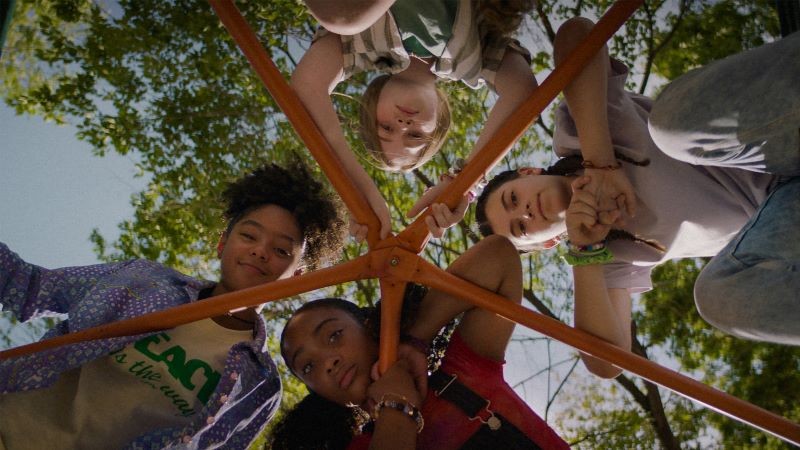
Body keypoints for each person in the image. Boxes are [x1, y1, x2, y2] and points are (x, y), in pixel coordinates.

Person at [472, 18, 800, 378]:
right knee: (714, 299)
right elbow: (607, 362)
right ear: (548, 242)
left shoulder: (575, 130)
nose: (526, 212)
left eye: (513, 199)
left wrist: (600, 163)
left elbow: (577, 34)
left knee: (669, 125)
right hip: (781, 213)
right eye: (521, 228)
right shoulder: (611, 256)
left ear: (529, 172)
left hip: (773, 137)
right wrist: (585, 253)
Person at [0, 162, 347, 449]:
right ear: (222, 243)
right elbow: (30, 287)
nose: (261, 251)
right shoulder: (143, 279)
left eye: (282, 250)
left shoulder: (259, 384)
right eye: (249, 236)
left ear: (298, 277)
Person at [272, 235, 570, 449]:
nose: (328, 361)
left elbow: (499, 256)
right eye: (308, 366)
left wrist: (415, 340)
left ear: (369, 327)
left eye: (334, 335)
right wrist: (395, 407)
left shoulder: (465, 370)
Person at [293, 0, 539, 240]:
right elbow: (523, 92)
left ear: (373, 104)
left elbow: (306, 87)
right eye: (415, 136)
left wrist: (357, 188)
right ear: (439, 123)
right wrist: (463, 183)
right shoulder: (473, 58)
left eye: (386, 127)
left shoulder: (359, 45)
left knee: (343, 19)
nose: (403, 126)